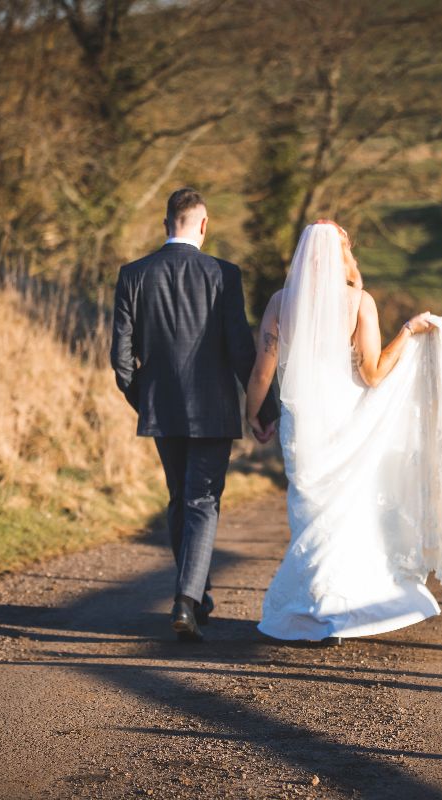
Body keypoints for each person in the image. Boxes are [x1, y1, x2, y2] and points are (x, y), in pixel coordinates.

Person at [245, 220, 442, 643]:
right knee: (348, 512)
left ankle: (313, 607)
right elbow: (372, 375)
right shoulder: (359, 302)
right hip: (346, 422)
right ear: (342, 254)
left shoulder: (280, 302)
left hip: (304, 425)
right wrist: (407, 331)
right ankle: (346, 606)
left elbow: (263, 370)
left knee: (310, 513)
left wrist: (253, 413)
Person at [110, 188, 275, 642]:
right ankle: (186, 599)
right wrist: (264, 407)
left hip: (161, 408)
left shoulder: (133, 275)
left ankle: (195, 596)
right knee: (201, 500)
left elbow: (122, 361)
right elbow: (242, 349)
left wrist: (146, 400)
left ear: (167, 224)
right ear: (204, 225)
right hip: (213, 410)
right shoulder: (223, 274)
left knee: (180, 497)